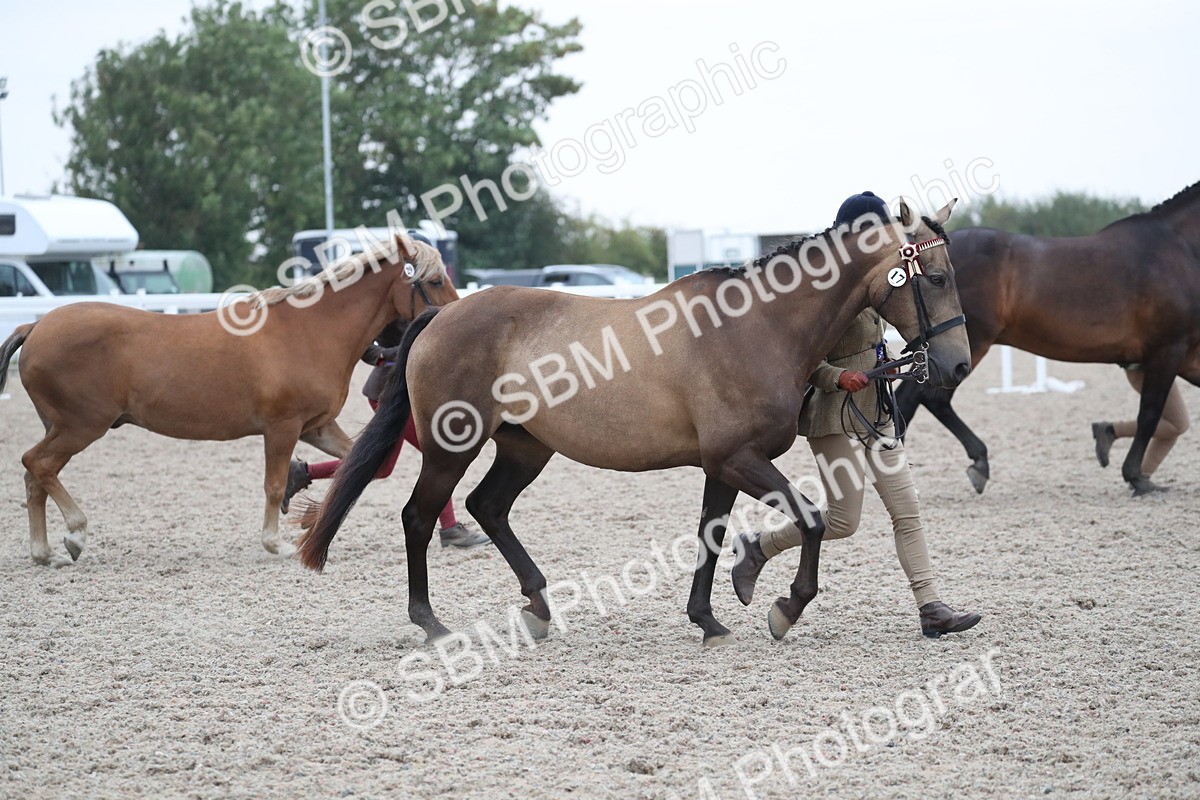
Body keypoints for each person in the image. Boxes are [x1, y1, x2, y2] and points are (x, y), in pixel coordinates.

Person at [731, 191, 981, 639]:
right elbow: (803, 361)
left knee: (908, 512)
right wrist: (837, 376)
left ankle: (931, 608)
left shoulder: (886, 283)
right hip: (832, 418)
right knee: (845, 521)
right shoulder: (822, 295)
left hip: (878, 412)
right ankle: (759, 546)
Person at [282, 232, 489, 550]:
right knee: (440, 453)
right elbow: (364, 343)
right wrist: (387, 355)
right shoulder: (396, 302)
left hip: (406, 390)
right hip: (392, 392)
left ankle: (302, 472)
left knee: (379, 466)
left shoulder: (420, 297)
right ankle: (449, 528)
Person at [1092, 367, 1190, 479]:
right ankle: (1111, 430)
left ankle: (1142, 476)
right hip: (1150, 367)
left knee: (1172, 425)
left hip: (1153, 367)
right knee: (1176, 424)